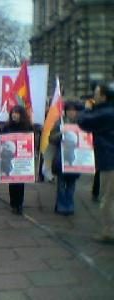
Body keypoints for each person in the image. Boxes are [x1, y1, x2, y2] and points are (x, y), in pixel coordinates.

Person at [77, 83, 114, 243]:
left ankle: (109, 231)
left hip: (110, 160)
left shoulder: (107, 112)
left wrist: (86, 108)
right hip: (108, 158)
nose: (94, 95)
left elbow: (83, 121)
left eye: (96, 93)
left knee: (107, 198)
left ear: (104, 97)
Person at [0, 105, 34, 215]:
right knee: (12, 182)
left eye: (17, 113)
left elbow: (32, 141)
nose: (14, 114)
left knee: (20, 182)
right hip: (10, 159)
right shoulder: (7, 126)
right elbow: (0, 140)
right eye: (13, 112)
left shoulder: (28, 127)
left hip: (22, 159)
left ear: (21, 115)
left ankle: (19, 204)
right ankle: (13, 203)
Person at [49, 100, 82, 216]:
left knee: (72, 184)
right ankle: (61, 205)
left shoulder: (82, 124)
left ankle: (70, 205)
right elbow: (51, 139)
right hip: (62, 158)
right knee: (61, 184)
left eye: (74, 110)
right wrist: (61, 134)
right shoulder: (59, 123)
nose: (71, 112)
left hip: (76, 159)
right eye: (69, 110)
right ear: (65, 111)